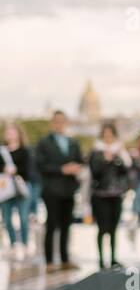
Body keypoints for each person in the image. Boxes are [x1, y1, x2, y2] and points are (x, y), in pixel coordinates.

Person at [35, 111, 84, 271]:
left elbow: (80, 160)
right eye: (56, 121)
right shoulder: (44, 142)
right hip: (52, 189)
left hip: (69, 189)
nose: (59, 124)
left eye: (62, 121)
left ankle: (65, 259)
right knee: (52, 225)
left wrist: (76, 168)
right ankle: (49, 261)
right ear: (52, 123)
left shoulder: (72, 142)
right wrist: (62, 169)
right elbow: (41, 165)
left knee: (66, 225)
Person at [88, 123, 133, 269]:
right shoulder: (96, 152)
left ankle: (113, 258)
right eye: (105, 135)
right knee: (102, 228)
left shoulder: (119, 153)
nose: (108, 138)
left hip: (115, 194)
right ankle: (102, 260)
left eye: (110, 135)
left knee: (114, 228)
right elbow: (95, 171)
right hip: (100, 195)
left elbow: (125, 170)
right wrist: (105, 160)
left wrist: (119, 156)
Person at [1, 123, 32, 259]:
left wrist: (16, 171)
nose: (10, 135)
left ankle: (24, 244)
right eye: (8, 132)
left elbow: (29, 171)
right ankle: (14, 244)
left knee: (23, 217)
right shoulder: (2, 151)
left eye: (12, 132)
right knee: (7, 218)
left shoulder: (25, 151)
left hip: (21, 187)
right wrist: (4, 170)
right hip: (5, 189)